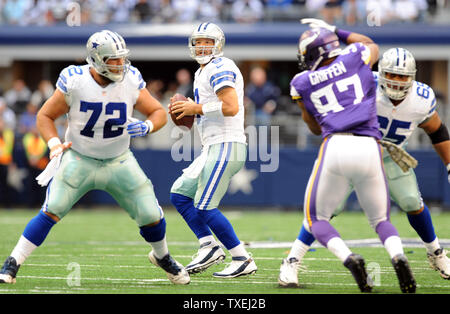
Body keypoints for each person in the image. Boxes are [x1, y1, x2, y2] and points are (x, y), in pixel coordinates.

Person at [0, 30, 190, 285]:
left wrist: (147, 127)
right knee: (52, 208)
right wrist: (54, 143)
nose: (120, 64)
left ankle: (162, 256)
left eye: (122, 58)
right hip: (79, 159)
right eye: (113, 59)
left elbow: (157, 112)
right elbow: (45, 116)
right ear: (97, 59)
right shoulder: (74, 80)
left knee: (150, 213)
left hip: (119, 159)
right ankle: (12, 262)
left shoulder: (131, 79)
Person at [279, 47, 450, 286]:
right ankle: (292, 261)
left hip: (390, 154)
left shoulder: (421, 98)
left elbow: (436, 129)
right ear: (381, 73)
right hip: (354, 148)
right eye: (391, 74)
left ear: (413, 77)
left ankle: (436, 253)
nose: (397, 81)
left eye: (402, 76)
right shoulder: (363, 82)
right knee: (325, 210)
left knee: (412, 201)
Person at [169, 22, 257, 278]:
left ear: (218, 44)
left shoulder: (221, 66)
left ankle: (241, 258)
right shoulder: (202, 71)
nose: (203, 46)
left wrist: (195, 109)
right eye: (199, 42)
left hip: (227, 144)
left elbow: (230, 106)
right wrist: (189, 112)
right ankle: (208, 245)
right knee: (179, 195)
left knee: (205, 206)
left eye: (208, 41)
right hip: (212, 146)